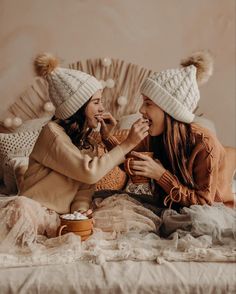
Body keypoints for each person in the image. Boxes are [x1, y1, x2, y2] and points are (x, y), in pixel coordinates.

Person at [0, 53, 149, 248]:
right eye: (96, 102)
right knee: (20, 207)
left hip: (60, 218)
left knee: (103, 222)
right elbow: (88, 172)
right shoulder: (51, 134)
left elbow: (84, 191)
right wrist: (128, 143)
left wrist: (80, 213)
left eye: (101, 102)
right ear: (78, 107)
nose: (102, 108)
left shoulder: (88, 144)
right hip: (33, 212)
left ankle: (64, 229)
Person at [128, 51, 234, 209]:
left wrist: (160, 175)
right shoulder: (157, 135)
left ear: (170, 110)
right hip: (173, 205)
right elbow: (127, 158)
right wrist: (107, 135)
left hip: (209, 211)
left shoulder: (204, 143)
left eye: (148, 103)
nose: (141, 110)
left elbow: (204, 203)